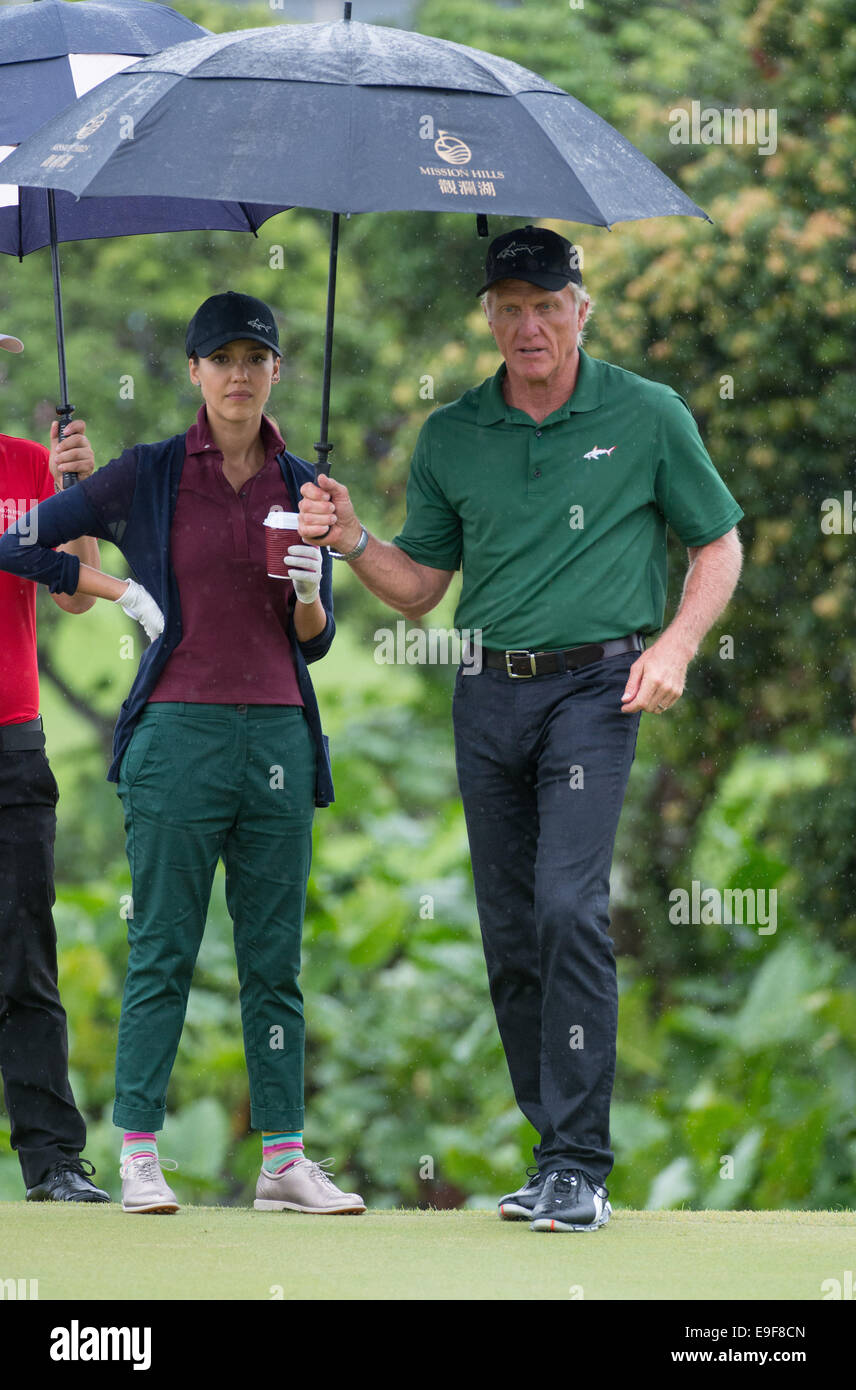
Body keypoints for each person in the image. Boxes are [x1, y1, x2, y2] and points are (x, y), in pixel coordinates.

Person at [297, 227, 743, 1233]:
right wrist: (353, 536)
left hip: (598, 688)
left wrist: (673, 645)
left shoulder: (648, 415)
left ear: (582, 309)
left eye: (549, 304)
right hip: (485, 691)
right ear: (489, 319)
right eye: (511, 306)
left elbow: (717, 542)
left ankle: (582, 1163)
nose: (530, 323)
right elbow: (418, 590)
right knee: (507, 931)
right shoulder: (453, 433)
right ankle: (553, 1157)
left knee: (565, 908)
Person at [0, 292, 365, 1217]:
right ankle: (138, 1152)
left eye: (256, 357)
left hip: (281, 729)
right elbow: (19, 540)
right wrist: (119, 585)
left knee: (274, 956)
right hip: (175, 733)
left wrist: (317, 591)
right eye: (221, 358)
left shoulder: (305, 486)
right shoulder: (150, 474)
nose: (239, 374)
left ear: (277, 371)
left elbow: (312, 640)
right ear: (194, 372)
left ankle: (284, 1157)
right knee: (164, 943)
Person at [0, 327, 110, 1203]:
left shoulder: (26, 468)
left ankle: (54, 1163)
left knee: (26, 959)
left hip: (13, 742)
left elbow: (77, 592)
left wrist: (80, 491)